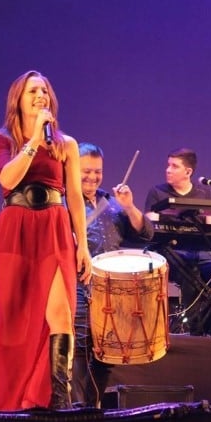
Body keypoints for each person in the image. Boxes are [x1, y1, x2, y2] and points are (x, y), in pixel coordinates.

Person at [0, 70, 91, 411]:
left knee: (61, 314)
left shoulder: (66, 144)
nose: (40, 95)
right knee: (8, 318)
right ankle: (2, 399)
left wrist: (82, 243)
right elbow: (7, 179)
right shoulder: (0, 139)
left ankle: (57, 400)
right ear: (19, 100)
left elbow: (74, 196)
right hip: (14, 228)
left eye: (44, 90)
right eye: (32, 91)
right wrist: (32, 145)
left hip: (54, 229)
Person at [71, 142, 154, 408]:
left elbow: (145, 234)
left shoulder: (112, 203)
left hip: (110, 292)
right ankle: (75, 409)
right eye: (86, 171)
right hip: (77, 287)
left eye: (97, 172)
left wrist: (129, 207)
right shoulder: (64, 201)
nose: (92, 177)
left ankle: (92, 407)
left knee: (106, 352)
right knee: (81, 351)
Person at [144, 148, 211, 335]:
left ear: (188, 172)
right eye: (168, 165)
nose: (168, 170)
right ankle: (194, 330)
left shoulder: (203, 193)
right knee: (191, 272)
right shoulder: (157, 192)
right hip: (170, 252)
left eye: (174, 166)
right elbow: (150, 227)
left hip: (201, 252)